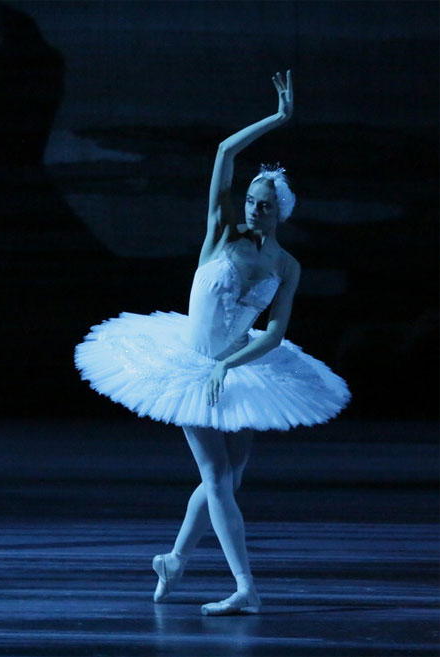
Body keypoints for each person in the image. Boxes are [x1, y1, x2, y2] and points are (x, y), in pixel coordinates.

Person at [74, 70, 351, 616]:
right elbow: (225, 150)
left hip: (240, 366)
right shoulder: (221, 232)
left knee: (228, 478)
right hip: (190, 364)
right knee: (218, 476)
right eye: (250, 198)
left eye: (264, 204)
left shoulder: (286, 265)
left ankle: (175, 560)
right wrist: (278, 118)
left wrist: (235, 364)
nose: (253, 208)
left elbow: (274, 332)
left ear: (280, 212)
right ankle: (246, 586)